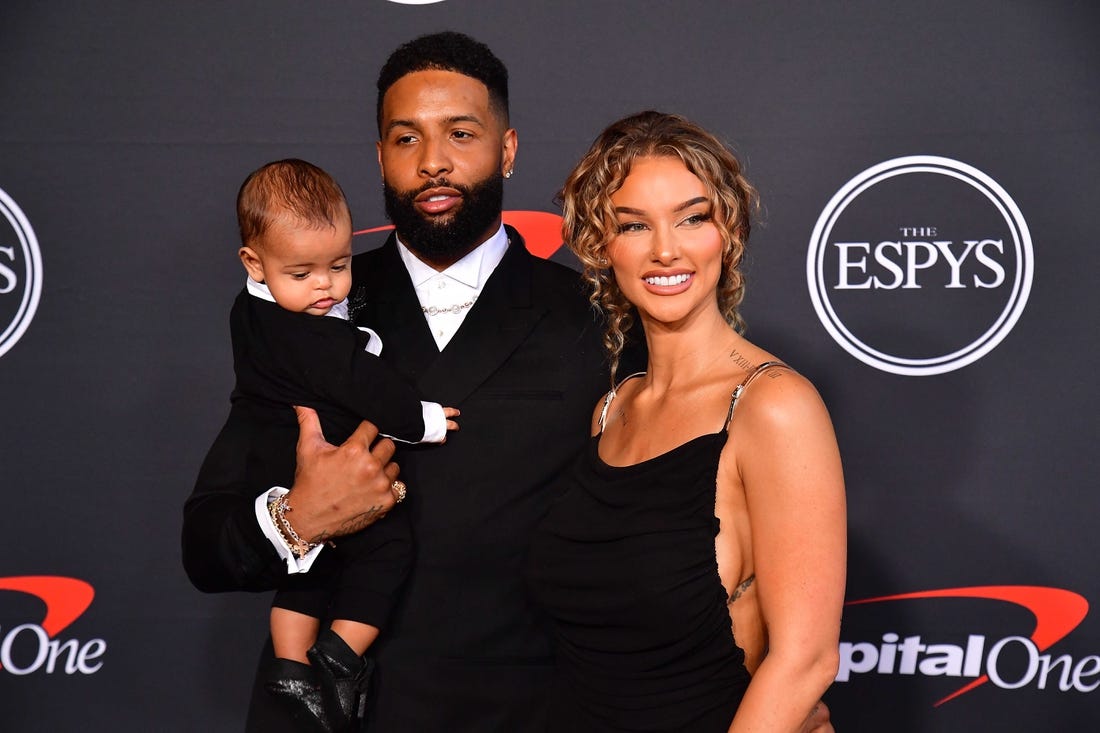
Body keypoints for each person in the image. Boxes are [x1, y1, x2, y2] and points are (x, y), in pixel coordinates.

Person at [183, 32, 611, 731]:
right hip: (329, 710)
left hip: (527, 707)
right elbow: (206, 545)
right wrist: (300, 517)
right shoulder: (301, 314)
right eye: (406, 139)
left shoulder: (592, 317)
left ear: (506, 148)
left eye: (461, 134)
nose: (434, 162)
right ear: (380, 156)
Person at [526, 111, 847, 731]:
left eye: (692, 217)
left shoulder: (773, 405)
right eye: (634, 225)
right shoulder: (613, 409)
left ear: (727, 232)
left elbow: (805, 660)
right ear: (600, 246)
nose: (665, 248)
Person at [228, 158, 459, 729]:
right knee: (386, 551)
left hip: (274, 463)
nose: (325, 286)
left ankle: (290, 666)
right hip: (321, 464)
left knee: (307, 567)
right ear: (254, 262)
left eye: (338, 265)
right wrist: (424, 419)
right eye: (302, 274)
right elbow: (367, 385)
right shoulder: (316, 334)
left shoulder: (250, 309)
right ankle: (340, 656)